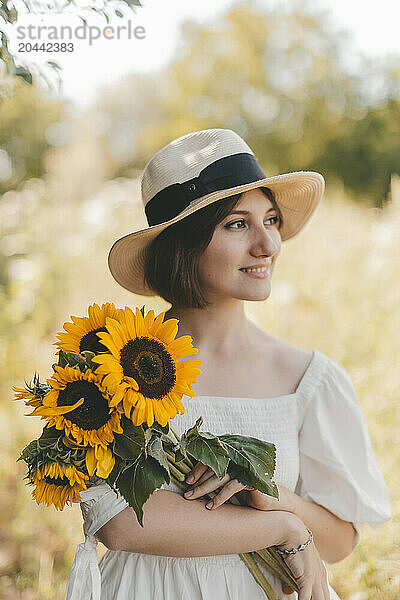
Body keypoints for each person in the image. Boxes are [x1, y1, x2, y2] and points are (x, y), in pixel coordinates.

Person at [65, 128, 392, 600]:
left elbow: (341, 541)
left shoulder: (309, 378)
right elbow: (121, 523)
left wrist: (273, 494)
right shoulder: (110, 369)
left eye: (272, 220)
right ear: (183, 243)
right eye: (238, 224)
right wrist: (279, 529)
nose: (268, 245)